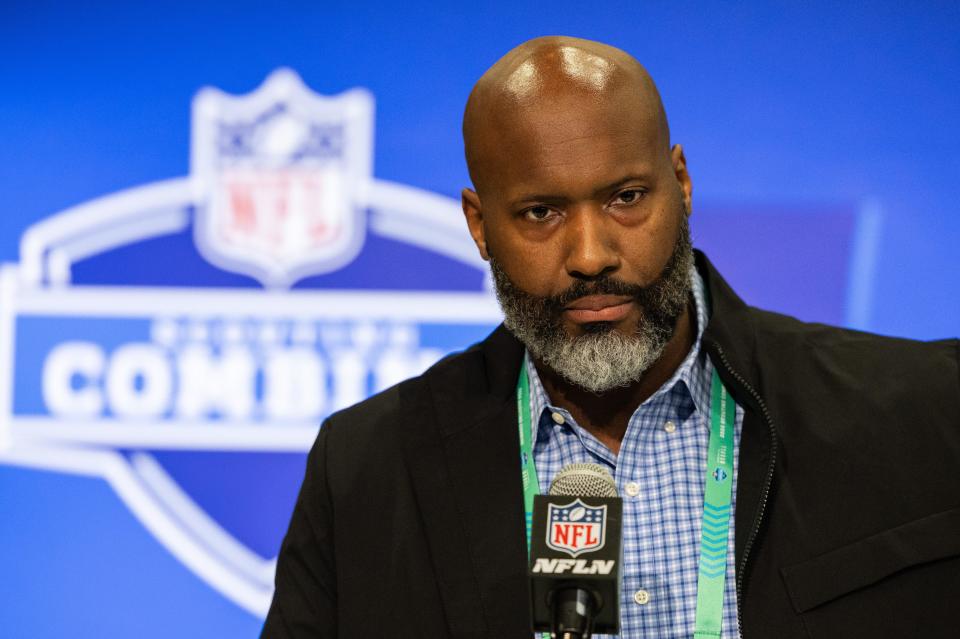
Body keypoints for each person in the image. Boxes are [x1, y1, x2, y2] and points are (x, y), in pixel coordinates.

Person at [262, 36, 960, 638]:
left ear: (681, 184)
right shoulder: (367, 472)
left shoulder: (926, 414)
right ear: (479, 225)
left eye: (626, 198)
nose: (591, 253)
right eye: (540, 212)